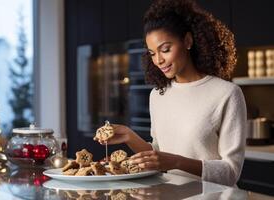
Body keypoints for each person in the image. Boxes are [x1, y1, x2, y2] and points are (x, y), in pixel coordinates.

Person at [97, 0, 246, 186]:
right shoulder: (158, 95)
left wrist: (177, 162)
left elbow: (231, 172)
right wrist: (128, 135)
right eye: (152, 53)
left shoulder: (227, 94)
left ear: (188, 41)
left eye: (165, 49)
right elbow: (159, 155)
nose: (158, 60)